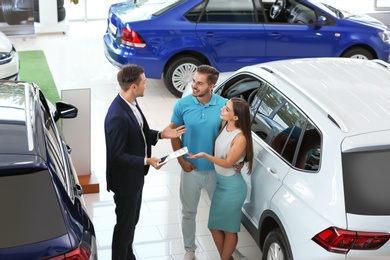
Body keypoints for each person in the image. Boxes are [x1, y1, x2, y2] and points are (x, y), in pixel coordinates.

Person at [105, 64, 186, 260]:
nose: (146, 85)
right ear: (134, 86)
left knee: (132, 222)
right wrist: (147, 160)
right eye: (144, 82)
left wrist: (161, 134)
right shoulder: (117, 116)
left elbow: (138, 134)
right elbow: (116, 156)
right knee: (124, 226)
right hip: (125, 182)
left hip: (135, 178)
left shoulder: (131, 104)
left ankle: (128, 255)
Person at [170, 65, 244, 260]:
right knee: (188, 212)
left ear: (212, 86)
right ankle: (190, 249)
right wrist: (180, 161)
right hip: (190, 169)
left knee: (222, 214)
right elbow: (173, 133)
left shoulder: (224, 106)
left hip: (217, 172)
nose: (194, 85)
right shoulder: (182, 105)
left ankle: (228, 250)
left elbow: (237, 134)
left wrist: (241, 160)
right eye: (194, 81)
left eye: (199, 83)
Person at [187, 97, 254, 260]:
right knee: (214, 226)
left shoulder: (240, 138)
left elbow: (228, 163)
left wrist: (205, 156)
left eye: (227, 109)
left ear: (236, 117)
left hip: (233, 188)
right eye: (225, 107)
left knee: (230, 229)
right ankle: (228, 257)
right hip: (221, 185)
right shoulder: (225, 125)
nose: (222, 110)